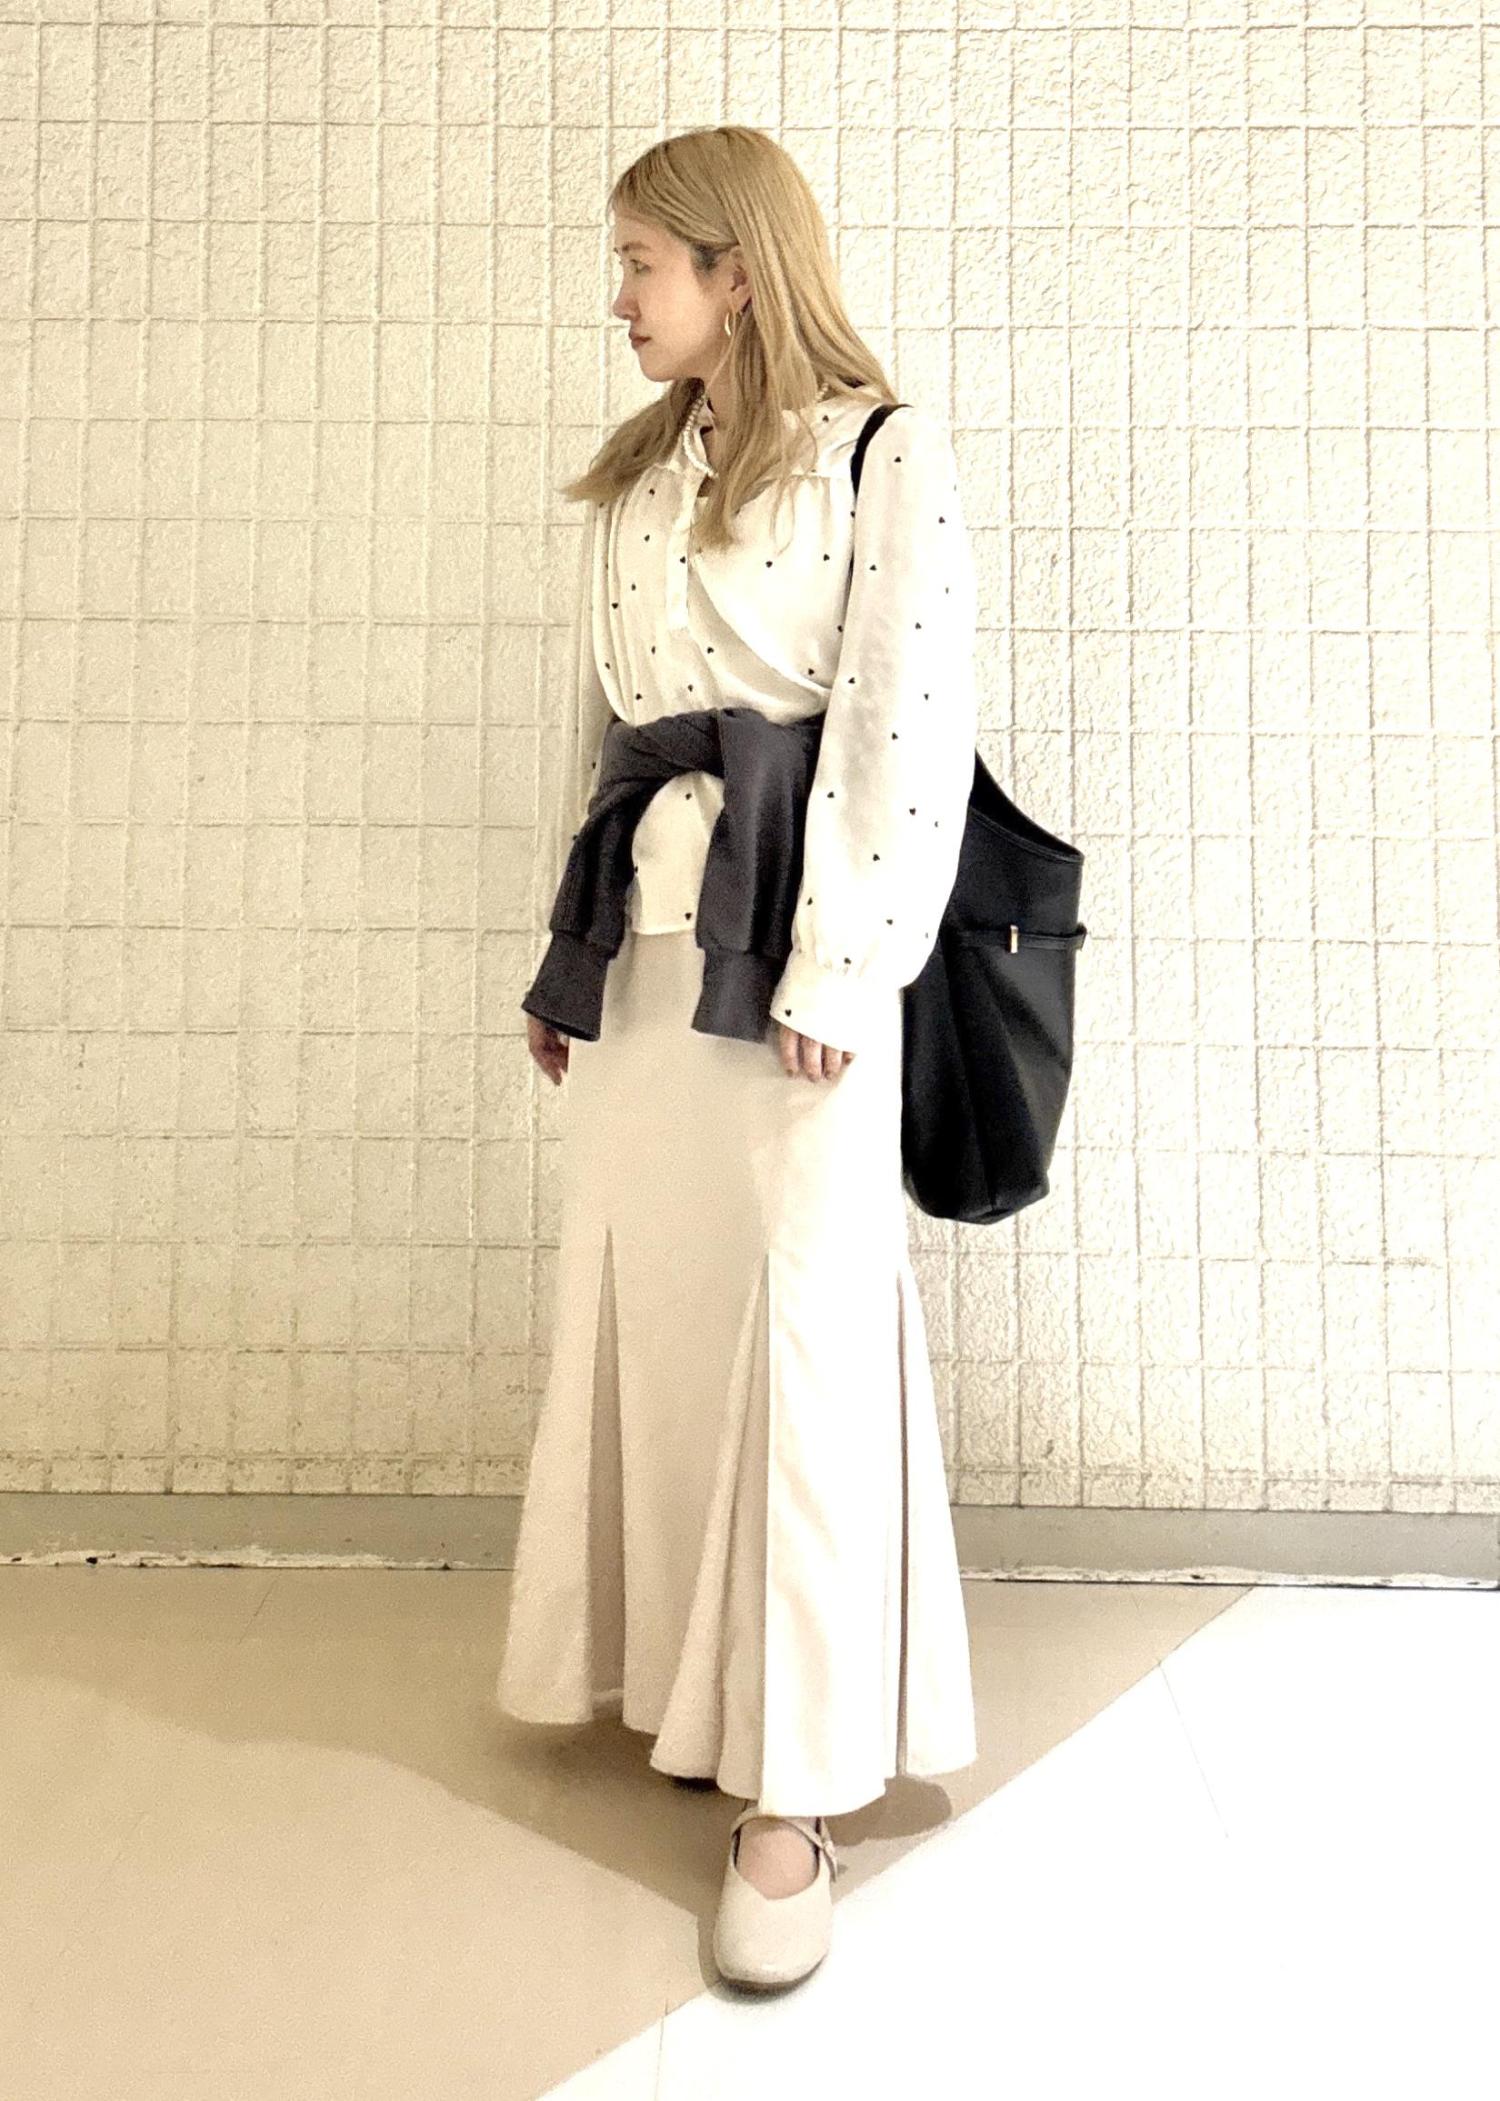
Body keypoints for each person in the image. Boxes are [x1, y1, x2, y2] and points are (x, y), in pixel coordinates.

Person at [496, 124, 979, 1989]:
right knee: (671, 1317)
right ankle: (682, 1686)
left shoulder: (879, 453)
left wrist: (845, 968)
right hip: (643, 959)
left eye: (642, 262)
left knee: (805, 1346)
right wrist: (565, 960)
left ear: (737, 276)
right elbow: (603, 735)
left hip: (795, 964)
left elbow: (903, 719)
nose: (618, 297)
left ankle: (796, 1792)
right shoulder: (635, 475)